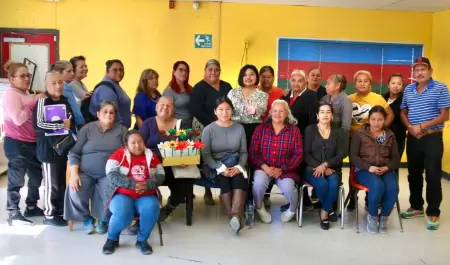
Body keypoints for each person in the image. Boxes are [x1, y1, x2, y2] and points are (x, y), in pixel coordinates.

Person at [400, 57, 450, 230]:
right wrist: (410, 127)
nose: (419, 72)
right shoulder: (408, 90)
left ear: (430, 71)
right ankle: (416, 206)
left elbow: (445, 115)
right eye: (416, 69)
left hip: (432, 137)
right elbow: (403, 112)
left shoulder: (441, 88)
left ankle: (433, 212)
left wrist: (421, 126)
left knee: (433, 175)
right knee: (413, 174)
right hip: (413, 138)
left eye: (423, 69)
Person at [64, 101, 127, 234]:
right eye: (105, 111)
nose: (109, 114)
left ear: (115, 115)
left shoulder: (121, 130)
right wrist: (74, 174)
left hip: (110, 173)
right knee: (75, 189)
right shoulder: (88, 129)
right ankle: (86, 218)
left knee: (112, 192)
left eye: (112, 112)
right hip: (85, 172)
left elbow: (128, 152)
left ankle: (104, 220)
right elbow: (74, 152)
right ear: (98, 114)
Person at [102, 130, 164, 255]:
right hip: (122, 193)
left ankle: (142, 240)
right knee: (123, 213)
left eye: (140, 142)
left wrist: (147, 184)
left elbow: (161, 175)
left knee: (151, 208)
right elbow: (111, 175)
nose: (137, 145)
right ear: (126, 145)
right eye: (133, 143)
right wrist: (132, 184)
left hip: (146, 193)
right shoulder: (118, 155)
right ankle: (112, 239)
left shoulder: (152, 156)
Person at [2, 61, 45, 225]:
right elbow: (18, 119)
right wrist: (34, 101)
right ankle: (13, 212)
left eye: (28, 75)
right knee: (17, 179)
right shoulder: (10, 94)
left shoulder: (26, 93)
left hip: (32, 143)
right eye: (22, 76)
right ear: (12, 79)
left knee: (36, 176)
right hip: (17, 144)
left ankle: (32, 207)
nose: (27, 78)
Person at [33, 70, 76, 226]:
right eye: (54, 83)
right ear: (46, 84)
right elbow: (38, 124)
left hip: (63, 149)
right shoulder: (42, 101)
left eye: (60, 82)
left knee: (62, 182)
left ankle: (60, 210)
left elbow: (70, 122)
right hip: (48, 150)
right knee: (52, 184)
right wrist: (59, 124)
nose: (58, 86)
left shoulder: (64, 100)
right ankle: (50, 214)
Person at [347, 70, 394, 211]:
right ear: (354, 84)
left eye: (365, 81)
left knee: (372, 167)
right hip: (353, 140)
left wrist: (379, 129)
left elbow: (390, 114)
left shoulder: (378, 98)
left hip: (373, 141)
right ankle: (352, 197)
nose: (362, 83)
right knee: (354, 169)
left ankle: (370, 199)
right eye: (359, 81)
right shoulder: (349, 99)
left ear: (370, 84)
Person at [249, 100, 303, 224]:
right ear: (270, 113)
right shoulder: (260, 128)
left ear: (286, 114)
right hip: (264, 167)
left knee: (289, 188)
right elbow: (253, 152)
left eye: (281, 111)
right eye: (275, 111)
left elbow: (298, 154)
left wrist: (282, 169)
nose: (277, 114)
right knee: (258, 184)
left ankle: (292, 210)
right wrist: (265, 167)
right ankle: (259, 207)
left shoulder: (294, 131)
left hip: (285, 169)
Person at [189, 59, 233, 205]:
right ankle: (207, 191)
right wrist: (214, 125)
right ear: (205, 71)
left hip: (225, 124)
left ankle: (224, 188)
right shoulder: (198, 88)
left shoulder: (227, 86)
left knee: (225, 153)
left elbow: (231, 105)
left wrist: (223, 123)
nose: (213, 72)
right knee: (206, 154)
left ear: (220, 71)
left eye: (216, 70)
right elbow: (196, 110)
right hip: (203, 126)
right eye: (210, 70)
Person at [201, 97, 248, 233]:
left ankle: (234, 218)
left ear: (232, 111)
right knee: (224, 181)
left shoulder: (239, 128)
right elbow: (206, 155)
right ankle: (235, 217)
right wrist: (221, 169)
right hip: (215, 165)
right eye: (221, 109)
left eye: (228, 109)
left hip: (235, 163)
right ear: (215, 111)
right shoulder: (208, 130)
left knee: (239, 179)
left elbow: (244, 152)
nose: (224, 112)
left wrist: (239, 167)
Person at [140, 96, 191, 222]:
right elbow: (139, 145)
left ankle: (169, 207)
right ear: (156, 107)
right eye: (162, 104)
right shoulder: (148, 123)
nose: (165, 107)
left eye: (169, 105)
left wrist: (183, 159)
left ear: (173, 109)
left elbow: (185, 146)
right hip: (153, 164)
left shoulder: (181, 124)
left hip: (174, 165)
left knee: (183, 184)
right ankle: (145, 211)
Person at [350, 106, 400, 234]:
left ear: (384, 120)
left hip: (385, 169)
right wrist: (369, 167)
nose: (376, 123)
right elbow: (353, 156)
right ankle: (372, 216)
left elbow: (395, 157)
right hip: (364, 169)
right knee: (377, 185)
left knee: (392, 187)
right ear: (368, 119)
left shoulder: (390, 135)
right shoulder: (360, 133)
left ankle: (384, 217)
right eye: (373, 119)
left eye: (380, 119)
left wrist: (387, 167)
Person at [303, 103, 348, 230]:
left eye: (328, 112)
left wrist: (326, 165)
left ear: (332, 116)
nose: (325, 115)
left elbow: (342, 154)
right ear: (317, 115)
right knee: (322, 184)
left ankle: (324, 211)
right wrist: (320, 166)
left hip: (333, 168)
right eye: (322, 112)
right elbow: (306, 154)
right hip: (312, 168)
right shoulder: (310, 130)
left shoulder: (340, 132)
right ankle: (329, 210)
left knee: (333, 184)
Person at [227, 64, 268, 147]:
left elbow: (263, 112)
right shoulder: (232, 92)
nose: (248, 77)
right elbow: (227, 109)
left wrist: (255, 111)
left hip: (253, 130)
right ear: (241, 77)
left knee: (252, 155)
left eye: (251, 74)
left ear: (256, 76)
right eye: (245, 75)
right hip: (234, 128)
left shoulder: (263, 95)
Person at [89, 59, 131, 128]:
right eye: (115, 70)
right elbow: (109, 116)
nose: (119, 72)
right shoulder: (105, 89)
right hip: (113, 131)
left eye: (121, 70)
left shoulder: (114, 85)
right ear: (107, 72)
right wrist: (119, 132)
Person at [383, 74, 406, 173]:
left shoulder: (405, 100)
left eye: (399, 84)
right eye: (393, 83)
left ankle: (393, 188)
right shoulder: (382, 98)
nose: (396, 86)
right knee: (380, 166)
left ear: (402, 86)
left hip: (397, 139)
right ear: (388, 85)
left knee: (393, 169)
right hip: (381, 139)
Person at [282, 69, 317, 135]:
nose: (296, 84)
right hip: (285, 136)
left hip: (302, 136)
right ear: (290, 81)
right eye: (293, 80)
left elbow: (313, 121)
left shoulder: (311, 97)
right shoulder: (285, 96)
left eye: (300, 81)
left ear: (305, 82)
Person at [52, 60, 85, 128]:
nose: (72, 74)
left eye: (72, 71)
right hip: (71, 123)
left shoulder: (55, 86)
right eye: (69, 71)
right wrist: (81, 122)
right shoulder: (64, 86)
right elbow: (74, 107)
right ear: (58, 73)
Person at [162, 61, 193, 128]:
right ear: (174, 72)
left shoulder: (190, 88)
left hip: (190, 125)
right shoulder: (169, 91)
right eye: (181, 70)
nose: (184, 73)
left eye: (186, 71)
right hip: (176, 127)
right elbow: (165, 112)